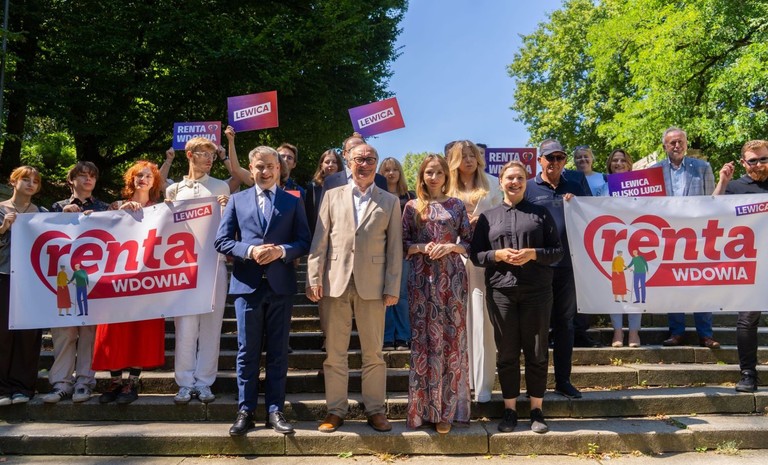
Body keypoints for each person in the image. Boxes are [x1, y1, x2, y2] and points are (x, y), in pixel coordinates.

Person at [215, 145, 311, 436]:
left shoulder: (293, 201)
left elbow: (304, 241)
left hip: (281, 286)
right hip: (247, 286)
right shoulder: (237, 200)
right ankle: (245, 410)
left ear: (279, 168)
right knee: (247, 351)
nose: (265, 171)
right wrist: (250, 250)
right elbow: (222, 241)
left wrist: (281, 251)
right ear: (251, 168)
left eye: (270, 166)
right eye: (259, 166)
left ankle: (274, 410)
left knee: (278, 352)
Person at [307, 143, 402, 434]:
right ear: (348, 161)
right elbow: (320, 240)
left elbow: (394, 249)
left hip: (373, 285)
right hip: (335, 282)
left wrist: (392, 285)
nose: (365, 164)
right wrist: (313, 278)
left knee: (373, 353)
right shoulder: (332, 195)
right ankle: (335, 410)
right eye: (359, 159)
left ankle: (375, 409)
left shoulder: (389, 201)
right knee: (335, 353)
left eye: (371, 159)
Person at [470, 160, 563, 434]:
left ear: (526, 181)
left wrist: (534, 254)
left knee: (536, 351)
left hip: (537, 292)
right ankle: (509, 410)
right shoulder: (488, 217)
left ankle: (536, 409)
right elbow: (475, 255)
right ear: (500, 182)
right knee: (507, 352)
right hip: (501, 292)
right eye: (510, 178)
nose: (515, 182)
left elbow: (557, 251)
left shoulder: (541, 214)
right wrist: (497, 255)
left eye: (520, 178)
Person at [402, 154, 471, 434]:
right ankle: (423, 411)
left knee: (451, 341)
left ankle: (447, 412)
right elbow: (402, 242)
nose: (433, 177)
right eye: (429, 172)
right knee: (424, 341)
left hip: (452, 278)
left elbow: (469, 242)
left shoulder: (457, 205)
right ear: (422, 176)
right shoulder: (411, 206)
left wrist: (451, 247)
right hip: (421, 279)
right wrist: (422, 247)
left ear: (446, 176)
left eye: (438, 172)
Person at [92, 161, 166, 405]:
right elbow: (98, 231)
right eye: (138, 175)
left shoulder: (160, 210)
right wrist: (119, 213)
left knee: (141, 330)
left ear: (155, 182)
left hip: (146, 282)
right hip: (117, 280)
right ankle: (115, 381)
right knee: (113, 330)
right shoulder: (115, 206)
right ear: (131, 180)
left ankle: (132, 382)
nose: (143, 179)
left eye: (148, 176)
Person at [165, 137, 231, 405]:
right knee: (184, 325)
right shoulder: (174, 190)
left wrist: (226, 208)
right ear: (190, 155)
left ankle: (204, 382)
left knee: (212, 325)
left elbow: (228, 226)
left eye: (212, 155)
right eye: (204, 154)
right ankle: (184, 382)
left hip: (214, 263)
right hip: (183, 266)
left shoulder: (221, 186)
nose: (209, 159)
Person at [524, 139, 589, 399]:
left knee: (565, 324)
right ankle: (535, 385)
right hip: (536, 267)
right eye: (549, 158)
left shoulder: (575, 186)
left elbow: (594, 217)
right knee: (537, 326)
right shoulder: (528, 187)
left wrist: (579, 205)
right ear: (539, 160)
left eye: (559, 158)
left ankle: (563, 380)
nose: (554, 162)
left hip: (568, 265)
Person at [43, 161, 110, 405]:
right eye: (82, 175)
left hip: (93, 281)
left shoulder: (103, 207)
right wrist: (61, 217)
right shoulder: (56, 207)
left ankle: (84, 382)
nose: (88, 179)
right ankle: (61, 383)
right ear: (71, 180)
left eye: (92, 175)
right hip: (62, 280)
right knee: (64, 333)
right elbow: (45, 236)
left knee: (89, 333)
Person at [651, 127, 720, 349]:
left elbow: (713, 201)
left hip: (698, 235)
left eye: (680, 141)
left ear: (686, 144)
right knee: (672, 282)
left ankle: (706, 335)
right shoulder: (654, 171)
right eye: (672, 142)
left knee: (702, 282)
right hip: (668, 236)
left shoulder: (702, 168)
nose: (677, 145)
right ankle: (677, 332)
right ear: (665, 146)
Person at [446, 140, 501, 403]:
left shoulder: (493, 184)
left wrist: (484, 221)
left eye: (472, 155)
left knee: (482, 321)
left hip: (483, 259)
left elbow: (504, 218)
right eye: (463, 156)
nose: (468, 160)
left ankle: (482, 385)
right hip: (452, 260)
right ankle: (458, 383)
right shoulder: (445, 187)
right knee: (455, 320)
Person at [713, 139, 768, 392]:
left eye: (764, 159)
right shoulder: (734, 187)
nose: (759, 164)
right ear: (744, 163)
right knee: (747, 320)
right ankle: (748, 374)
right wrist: (723, 182)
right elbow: (709, 211)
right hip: (750, 263)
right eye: (753, 160)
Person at [0, 166, 45, 407]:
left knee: (29, 335)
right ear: (13, 181)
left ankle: (23, 387)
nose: (30, 184)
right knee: (3, 334)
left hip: (31, 281)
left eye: (35, 181)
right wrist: (3, 228)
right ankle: (2, 388)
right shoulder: (0, 209)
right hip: (4, 276)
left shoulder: (43, 213)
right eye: (25, 179)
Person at [605, 150, 641, 347]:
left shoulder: (641, 186)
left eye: (622, 160)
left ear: (629, 164)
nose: (618, 163)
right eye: (615, 160)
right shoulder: (603, 187)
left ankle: (634, 333)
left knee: (635, 287)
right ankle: (617, 332)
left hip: (636, 240)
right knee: (616, 288)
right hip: (612, 242)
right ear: (610, 164)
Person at [379, 157, 415, 351]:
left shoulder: (410, 197)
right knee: (383, 294)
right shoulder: (376, 195)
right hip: (380, 251)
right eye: (386, 170)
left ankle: (403, 336)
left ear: (400, 172)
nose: (391, 173)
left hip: (404, 252)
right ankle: (386, 337)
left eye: (394, 169)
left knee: (401, 295)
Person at [321, 133, 388, 197]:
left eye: (361, 149)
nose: (357, 152)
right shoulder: (331, 181)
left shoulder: (380, 180)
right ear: (344, 154)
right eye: (352, 149)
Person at [305, 149, 344, 234]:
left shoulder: (346, 186)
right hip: (317, 232)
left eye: (334, 162)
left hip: (339, 233)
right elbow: (309, 216)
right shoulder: (313, 187)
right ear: (321, 165)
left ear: (339, 165)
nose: (331, 165)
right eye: (327, 162)